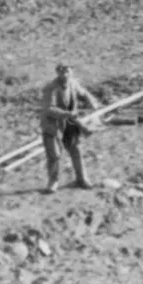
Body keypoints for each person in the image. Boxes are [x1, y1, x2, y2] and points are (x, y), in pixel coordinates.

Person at [39, 63, 100, 193]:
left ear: (72, 71)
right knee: (54, 155)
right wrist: (66, 114)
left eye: (67, 71)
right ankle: (53, 181)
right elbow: (49, 109)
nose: (65, 74)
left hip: (70, 123)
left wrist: (92, 101)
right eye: (62, 72)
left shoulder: (73, 83)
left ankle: (82, 179)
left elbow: (83, 93)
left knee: (76, 150)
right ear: (57, 73)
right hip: (53, 124)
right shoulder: (51, 88)